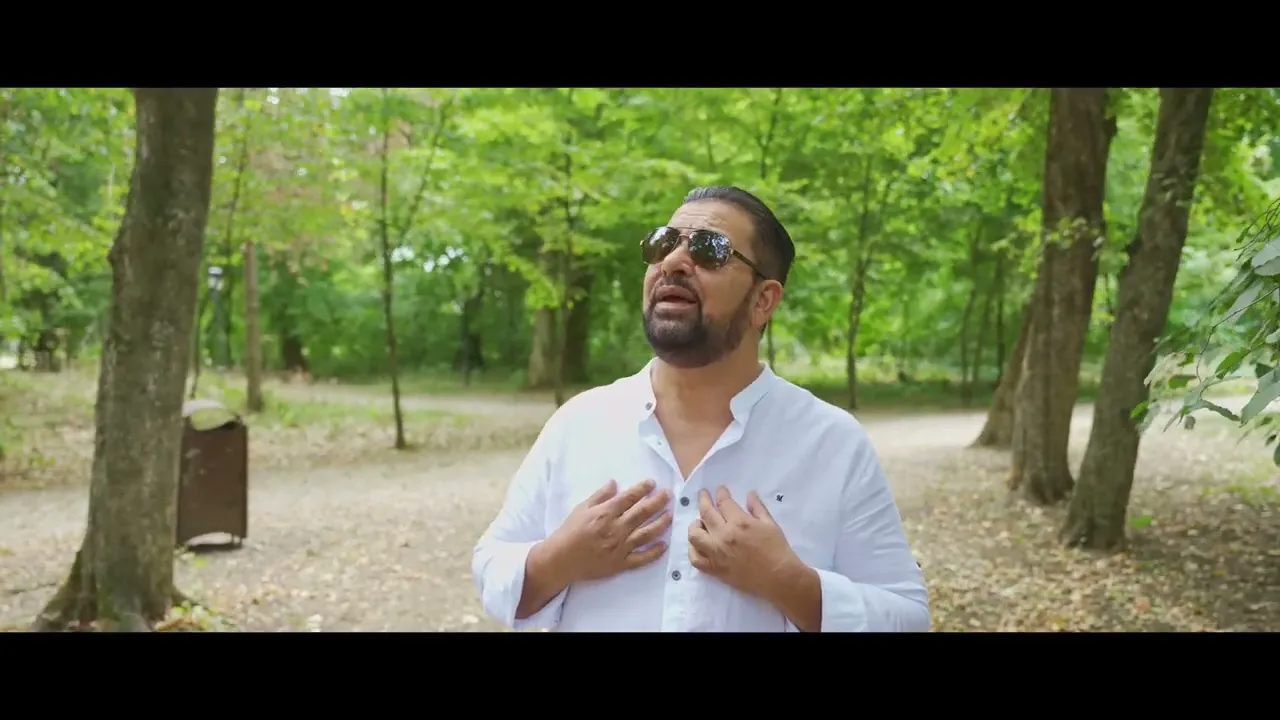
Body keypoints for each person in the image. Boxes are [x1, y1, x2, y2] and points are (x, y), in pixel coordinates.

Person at [471, 185, 930, 632]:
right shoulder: (580, 423)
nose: (672, 261)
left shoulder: (832, 443)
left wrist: (789, 582)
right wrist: (558, 560)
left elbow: (907, 616)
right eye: (662, 243)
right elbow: (492, 567)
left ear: (763, 301)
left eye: (710, 250)